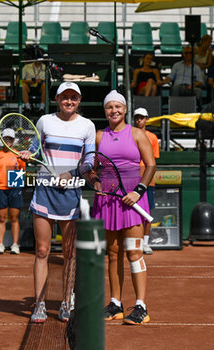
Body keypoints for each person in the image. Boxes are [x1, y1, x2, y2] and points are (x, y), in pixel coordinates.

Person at [19, 82, 96, 323]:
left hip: (71, 192)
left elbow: (90, 159)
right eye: (65, 97)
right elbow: (33, 148)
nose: (69, 101)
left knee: (69, 253)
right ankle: (40, 304)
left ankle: (65, 302)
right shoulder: (44, 121)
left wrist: (72, 173)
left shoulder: (87, 126)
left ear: (79, 100)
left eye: (74, 97)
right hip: (44, 191)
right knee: (42, 251)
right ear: (57, 98)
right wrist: (26, 153)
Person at [92, 90, 156, 325]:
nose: (114, 111)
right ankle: (115, 304)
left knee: (134, 252)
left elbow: (150, 165)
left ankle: (141, 307)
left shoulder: (138, 134)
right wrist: (95, 181)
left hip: (133, 199)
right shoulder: (98, 136)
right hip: (107, 200)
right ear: (105, 110)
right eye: (110, 107)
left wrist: (138, 192)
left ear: (125, 109)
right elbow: (89, 167)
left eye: (118, 106)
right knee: (112, 253)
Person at [0, 128, 26, 255]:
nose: (8, 141)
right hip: (0, 189)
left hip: (15, 188)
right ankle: (0, 244)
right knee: (1, 218)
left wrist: (14, 184)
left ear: (14, 140)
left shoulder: (19, 155)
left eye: (10, 138)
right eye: (5, 138)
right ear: (2, 139)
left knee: (14, 218)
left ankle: (15, 245)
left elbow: (22, 173)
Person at [133, 107, 160, 255]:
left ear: (146, 119)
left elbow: (152, 161)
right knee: (131, 212)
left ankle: (145, 243)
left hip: (147, 181)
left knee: (147, 213)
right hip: (131, 179)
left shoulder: (153, 138)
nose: (139, 120)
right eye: (137, 117)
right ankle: (133, 242)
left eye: (142, 117)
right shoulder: (129, 135)